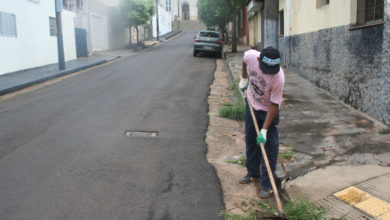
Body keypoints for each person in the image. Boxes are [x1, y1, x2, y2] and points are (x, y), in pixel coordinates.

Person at [238, 47, 285, 198]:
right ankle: (253, 173)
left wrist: (264, 130)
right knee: (251, 141)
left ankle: (267, 185)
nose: (268, 73)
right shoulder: (251, 56)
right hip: (251, 103)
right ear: (259, 60)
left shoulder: (278, 77)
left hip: (267, 111)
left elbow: (274, 105)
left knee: (269, 149)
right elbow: (244, 61)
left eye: (272, 69)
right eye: (266, 68)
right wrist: (244, 77)